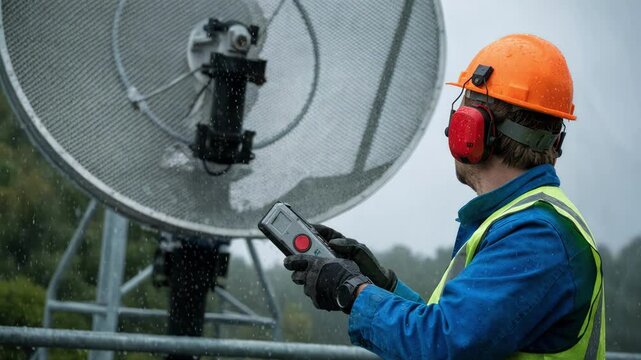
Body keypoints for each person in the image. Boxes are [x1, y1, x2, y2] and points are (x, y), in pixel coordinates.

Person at [283, 34, 605, 359]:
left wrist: (351, 292)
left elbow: (443, 346)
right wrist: (379, 285)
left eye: (462, 108)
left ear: (473, 129)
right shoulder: (523, 222)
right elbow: (455, 331)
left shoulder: (535, 236)